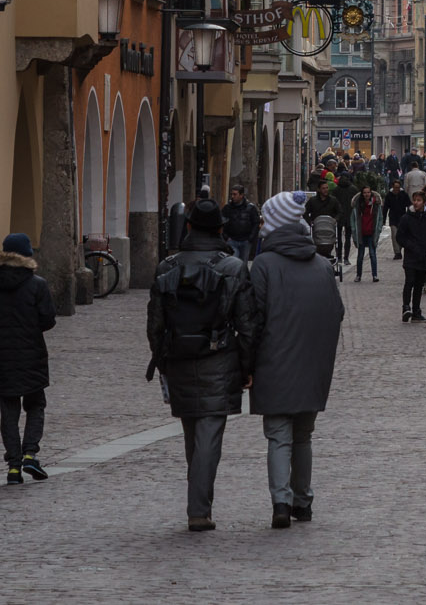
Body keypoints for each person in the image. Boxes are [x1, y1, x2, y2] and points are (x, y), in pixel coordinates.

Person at [240, 192, 346, 529]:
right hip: (313, 366)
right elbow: (337, 313)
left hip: (273, 363)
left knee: (278, 435)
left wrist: (247, 366)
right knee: (303, 436)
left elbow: (253, 319)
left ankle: (281, 503)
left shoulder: (265, 266)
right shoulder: (322, 265)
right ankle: (303, 501)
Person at [148, 196, 250, 532]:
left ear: (188, 227)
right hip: (218, 357)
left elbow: (155, 323)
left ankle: (198, 500)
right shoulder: (233, 268)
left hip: (177, 356)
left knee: (193, 431)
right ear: (221, 229)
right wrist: (248, 366)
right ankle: (198, 509)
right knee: (208, 434)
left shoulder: (167, 267)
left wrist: (161, 361)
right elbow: (247, 323)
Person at [0, 232, 56, 486]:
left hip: (1, 356)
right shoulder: (37, 284)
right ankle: (30, 453)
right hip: (31, 354)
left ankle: (13, 466)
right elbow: (48, 320)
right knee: (35, 405)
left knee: (8, 411)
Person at [394, 187, 426, 324]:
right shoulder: (406, 218)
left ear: (424, 202)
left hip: (424, 257)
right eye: (414, 200)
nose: (416, 203)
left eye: (419, 200)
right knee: (410, 281)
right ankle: (406, 307)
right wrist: (410, 246)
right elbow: (400, 237)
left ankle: (416, 311)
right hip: (411, 256)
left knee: (419, 285)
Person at [352, 182, 383, 283]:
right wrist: (354, 231)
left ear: (371, 193)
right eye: (365, 192)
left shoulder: (376, 205)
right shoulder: (358, 205)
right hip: (361, 233)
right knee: (360, 256)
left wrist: (378, 229)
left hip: (371, 232)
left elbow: (380, 219)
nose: (367, 194)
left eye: (368, 192)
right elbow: (353, 219)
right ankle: (358, 275)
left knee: (372, 254)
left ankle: (374, 275)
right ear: (362, 194)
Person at [222, 185, 261, 261]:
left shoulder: (250, 208)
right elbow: (222, 222)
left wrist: (250, 238)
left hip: (245, 241)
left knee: (243, 263)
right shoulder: (227, 208)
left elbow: (256, 223)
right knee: (233, 262)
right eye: (232, 194)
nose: (232, 196)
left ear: (241, 195)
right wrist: (226, 237)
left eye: (235, 194)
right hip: (232, 240)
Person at [384, 180, 411, 260]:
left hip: (402, 218)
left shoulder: (404, 195)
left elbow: (409, 205)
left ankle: (399, 249)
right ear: (392, 187)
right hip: (392, 218)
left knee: (401, 235)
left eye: (398, 187)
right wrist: (383, 219)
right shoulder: (389, 195)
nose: (397, 189)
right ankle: (397, 252)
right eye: (395, 187)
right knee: (394, 235)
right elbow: (385, 207)